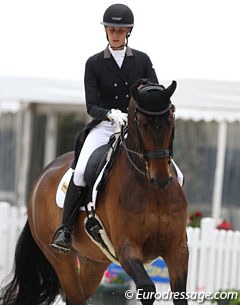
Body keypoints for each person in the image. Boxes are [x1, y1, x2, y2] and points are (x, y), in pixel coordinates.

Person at [51, 3, 183, 253]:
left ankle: (171, 219)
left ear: (128, 32)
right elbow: (91, 105)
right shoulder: (94, 63)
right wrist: (110, 114)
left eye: (120, 30)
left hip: (137, 127)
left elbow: (153, 92)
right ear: (106, 32)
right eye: (111, 29)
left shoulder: (142, 60)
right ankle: (66, 229)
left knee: (175, 172)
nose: (115, 34)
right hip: (105, 126)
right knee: (79, 173)